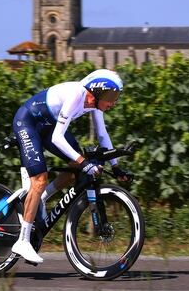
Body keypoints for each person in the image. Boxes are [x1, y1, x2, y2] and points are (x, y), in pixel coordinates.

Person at [10, 69, 131, 264]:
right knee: (40, 180)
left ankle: (40, 198)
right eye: (111, 96)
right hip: (28, 122)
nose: (113, 102)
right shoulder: (76, 94)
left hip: (48, 126)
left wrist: (116, 167)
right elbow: (57, 138)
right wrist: (84, 162)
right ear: (97, 91)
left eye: (116, 97)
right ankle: (22, 241)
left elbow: (102, 135)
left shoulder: (95, 105)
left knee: (77, 170)